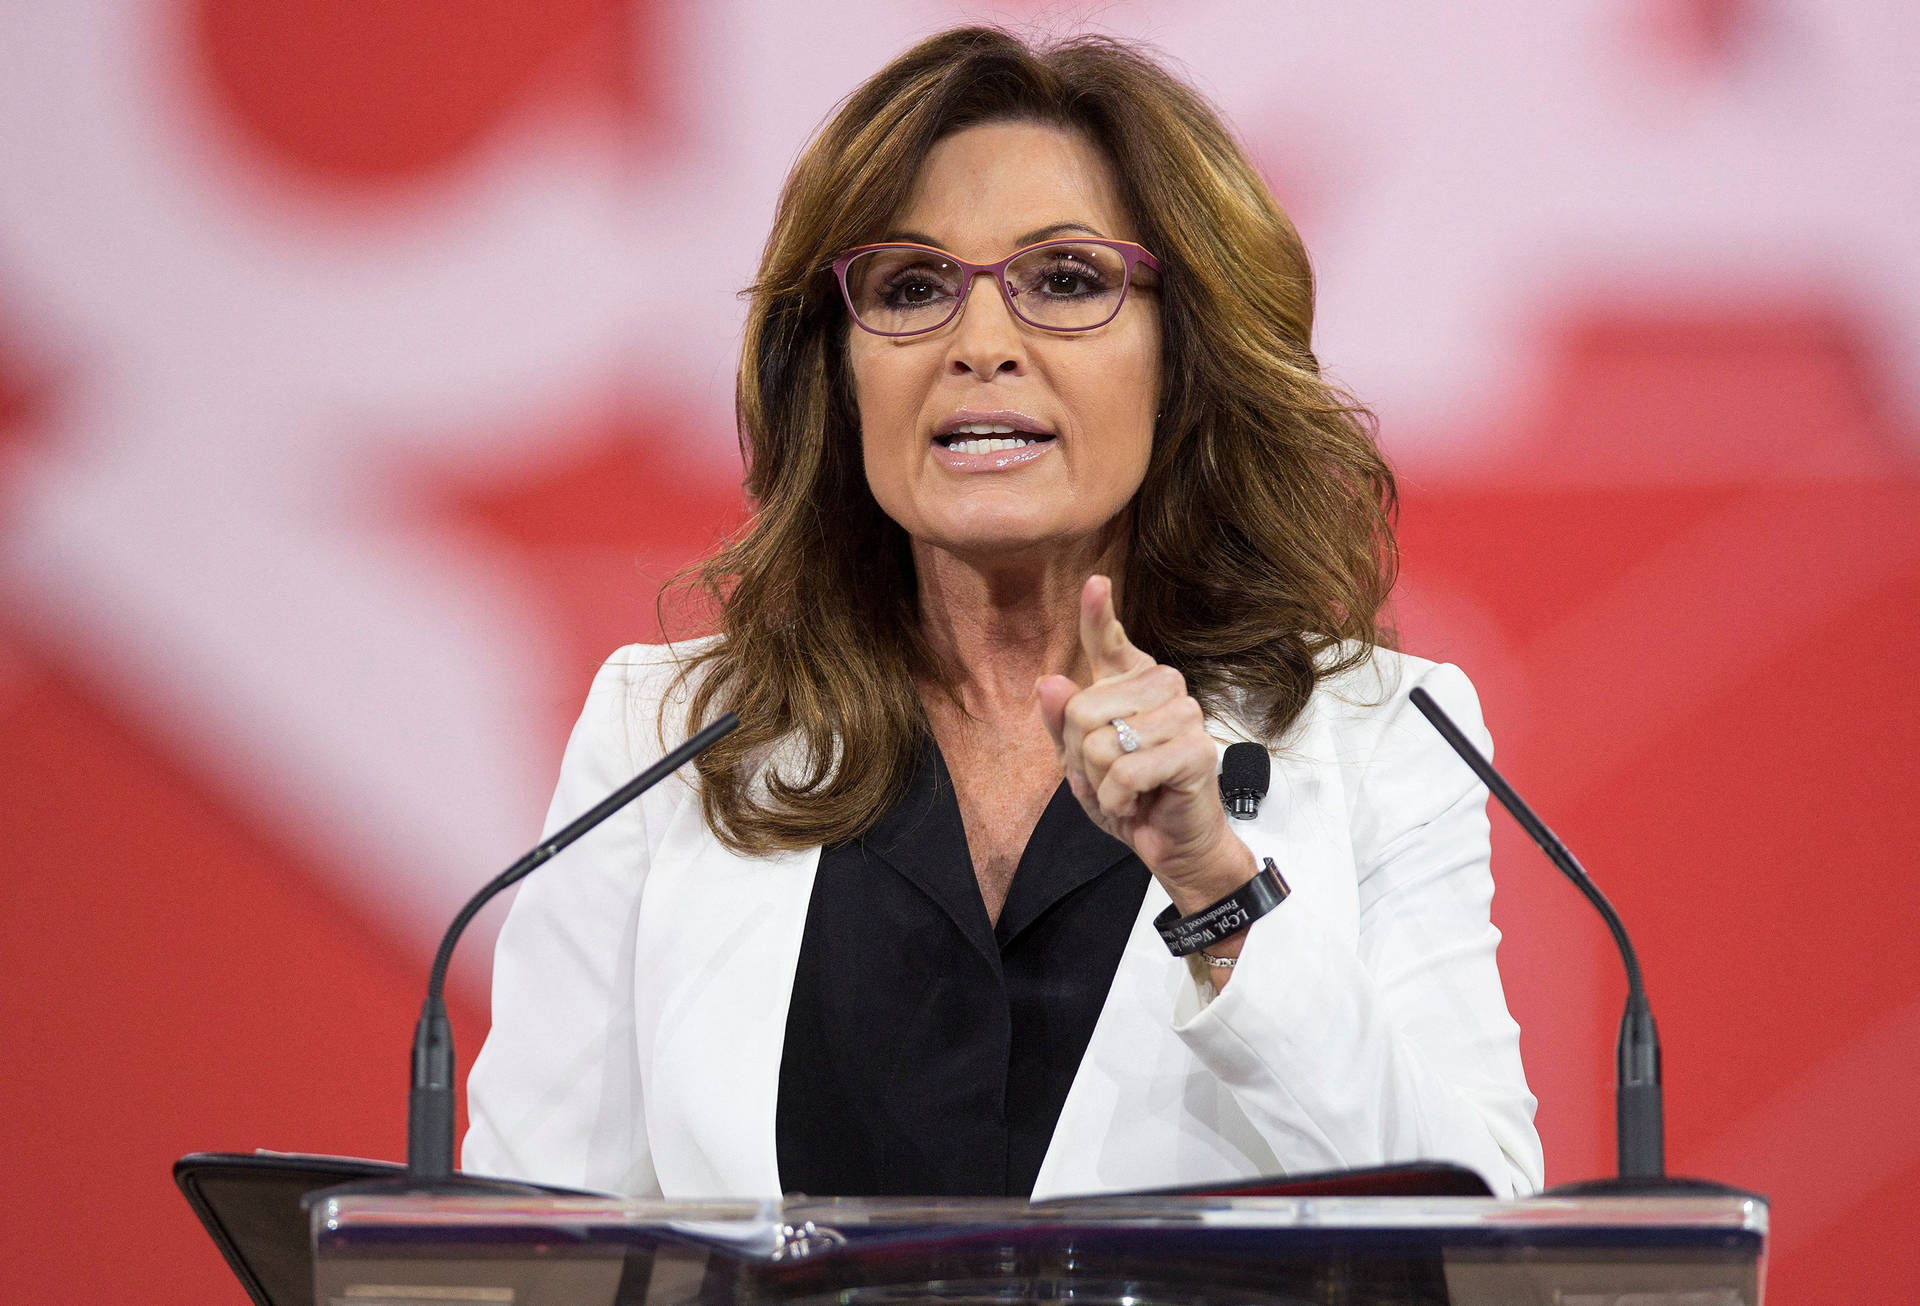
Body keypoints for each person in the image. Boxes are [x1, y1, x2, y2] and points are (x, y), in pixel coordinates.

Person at [463, 26, 1543, 1201]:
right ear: (835, 368)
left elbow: (1474, 1230)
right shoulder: (669, 738)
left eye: (1067, 281)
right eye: (912, 288)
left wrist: (1218, 887)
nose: (981, 345)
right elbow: (527, 1240)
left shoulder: (1382, 736)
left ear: (1184, 359)